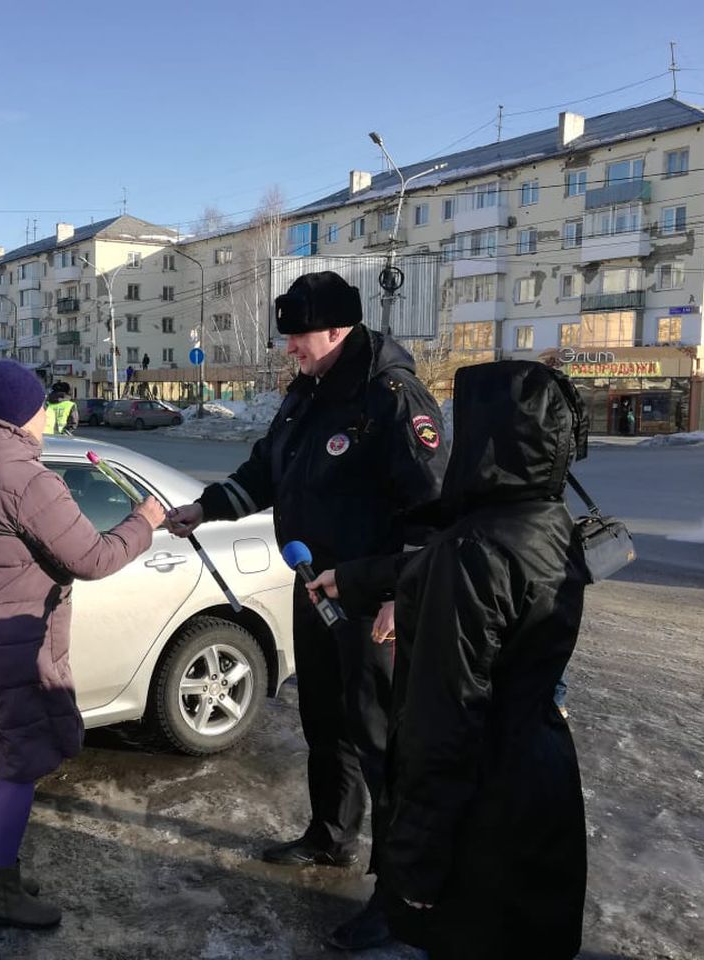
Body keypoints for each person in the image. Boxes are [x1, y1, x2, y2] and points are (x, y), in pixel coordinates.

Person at [165, 271, 448, 950]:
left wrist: (397, 599)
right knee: (326, 718)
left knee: (382, 740)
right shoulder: (310, 394)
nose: (289, 346)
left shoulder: (391, 397)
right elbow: (267, 468)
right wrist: (207, 507)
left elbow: (432, 512)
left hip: (371, 598)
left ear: (336, 328)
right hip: (314, 588)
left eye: (297, 334)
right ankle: (330, 834)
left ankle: (398, 894)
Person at [306, 360, 589, 960]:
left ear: (496, 438)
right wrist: (355, 581)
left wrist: (416, 863)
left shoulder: (475, 551)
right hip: (542, 782)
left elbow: (445, 725)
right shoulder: (544, 521)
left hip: (484, 812)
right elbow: (458, 567)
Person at [0, 359, 166, 930]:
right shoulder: (26, 479)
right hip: (12, 644)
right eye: (41, 405)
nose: (46, 414)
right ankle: (1, 892)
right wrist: (144, 520)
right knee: (16, 766)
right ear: (25, 412)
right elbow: (93, 557)